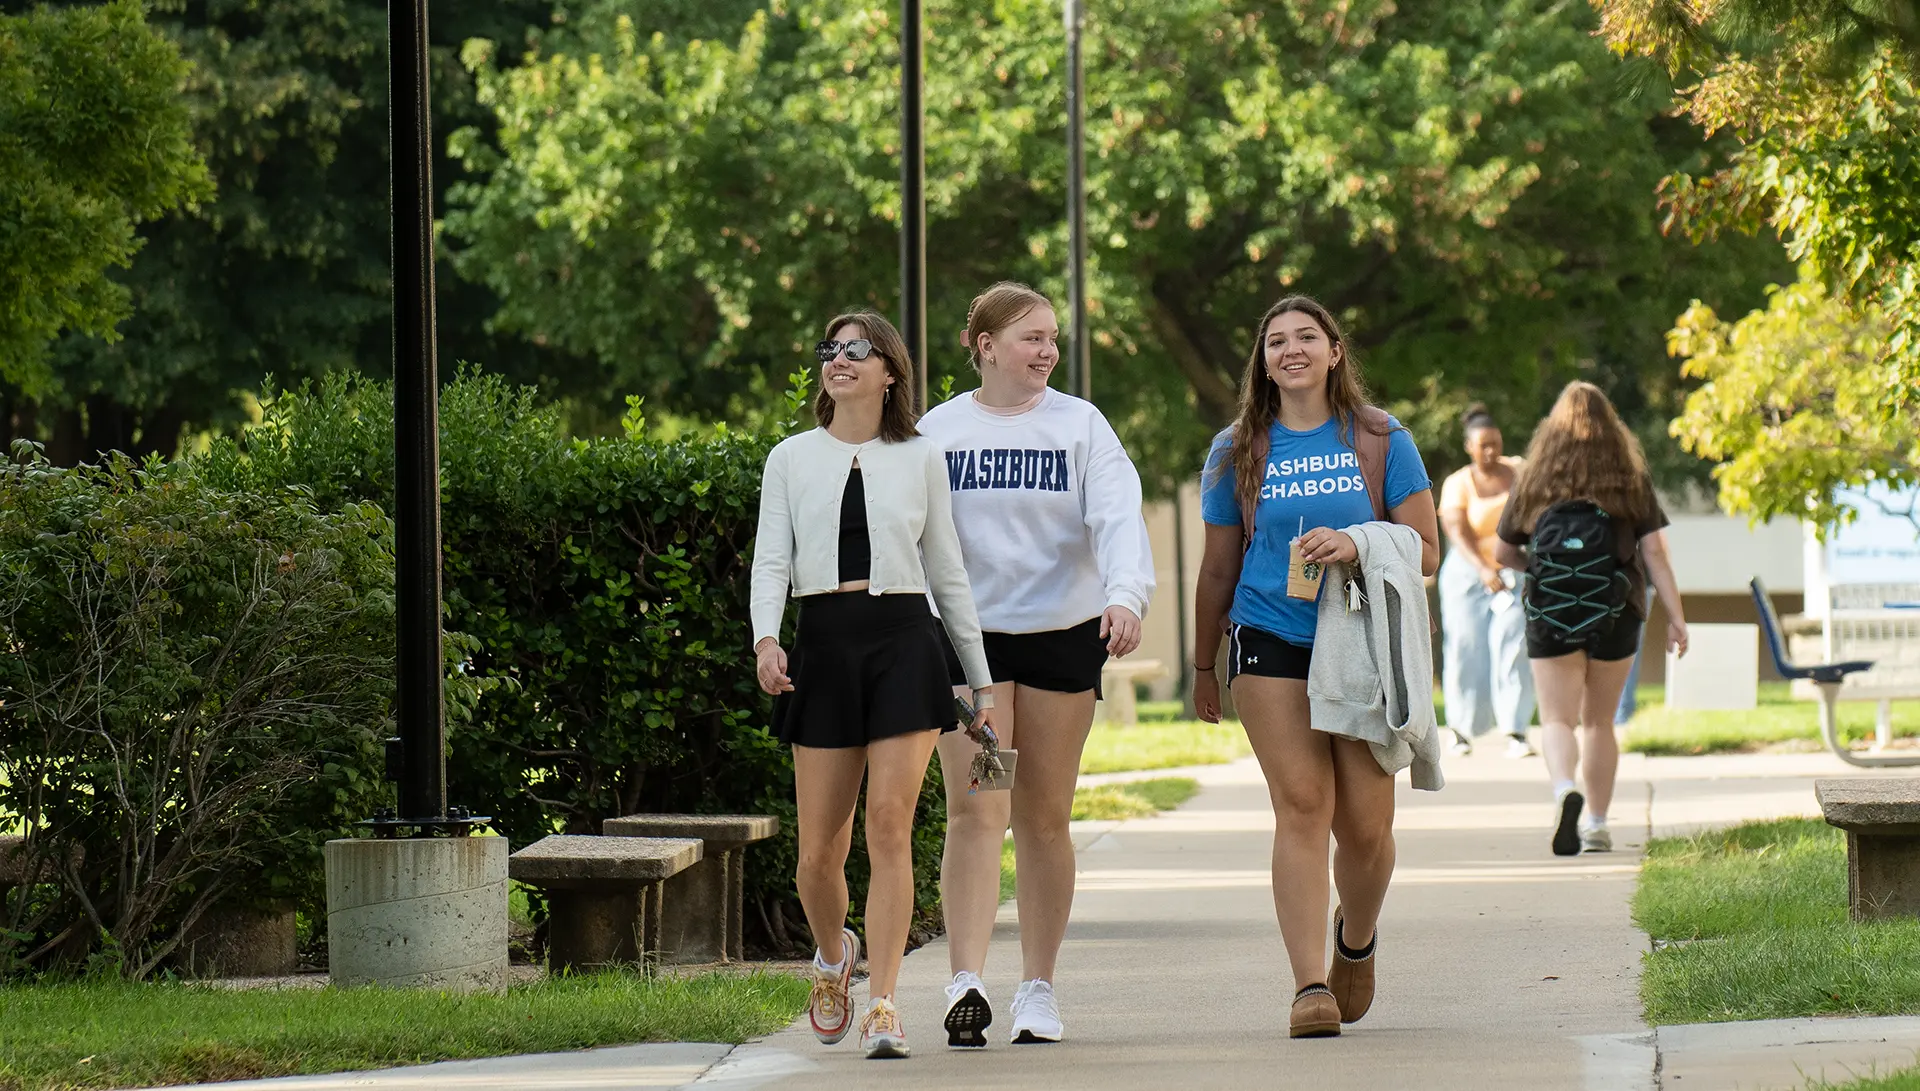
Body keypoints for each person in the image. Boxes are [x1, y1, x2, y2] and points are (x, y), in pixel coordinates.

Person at [750, 311, 1001, 1060]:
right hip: (823, 646)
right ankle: (834, 959)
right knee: (817, 854)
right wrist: (766, 637)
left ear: (890, 370)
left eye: (858, 349)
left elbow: (947, 570)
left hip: (903, 640)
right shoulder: (790, 457)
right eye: (831, 348)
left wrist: (979, 682)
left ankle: (885, 1002)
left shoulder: (921, 456)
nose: (840, 359)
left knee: (889, 822)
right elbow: (771, 560)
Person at [1192, 295, 1438, 1038]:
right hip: (1270, 637)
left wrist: (1360, 542)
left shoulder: (1380, 437)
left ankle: (1353, 938)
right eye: (1275, 341)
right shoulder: (1235, 449)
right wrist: (1205, 666)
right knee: (1301, 804)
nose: (1290, 350)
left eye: (1306, 337)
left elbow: (1426, 548)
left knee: (1366, 826)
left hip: (1360, 642)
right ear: (1262, 361)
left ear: (1336, 351)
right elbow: (1215, 569)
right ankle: (1308, 986)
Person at [921, 281, 1156, 1048]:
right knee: (978, 809)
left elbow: (1118, 516)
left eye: (1053, 336)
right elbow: (912, 534)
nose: (1048, 349)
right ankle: (965, 980)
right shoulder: (940, 431)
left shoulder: (1081, 425)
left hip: (1060, 637)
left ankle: (1038, 989)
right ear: (985, 346)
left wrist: (1125, 595)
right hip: (971, 648)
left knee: (1044, 816)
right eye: (1031, 337)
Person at [1492, 381, 1688, 856]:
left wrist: (1539, 570)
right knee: (1599, 722)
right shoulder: (1628, 481)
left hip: (1551, 610)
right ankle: (1597, 824)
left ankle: (1565, 789)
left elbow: (1503, 552)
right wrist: (1677, 617)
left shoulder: (1534, 481)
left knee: (1557, 720)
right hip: (1616, 611)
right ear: (1611, 429)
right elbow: (1655, 552)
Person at [1437, 405, 1536, 758]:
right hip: (1468, 571)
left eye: (1496, 443)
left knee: (1513, 644)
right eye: (1483, 446)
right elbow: (1456, 530)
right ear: (1469, 447)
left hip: (1512, 571)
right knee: (1466, 648)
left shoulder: (1520, 472)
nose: (1491, 451)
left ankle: (1516, 730)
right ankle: (1462, 730)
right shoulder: (1457, 484)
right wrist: (1482, 568)